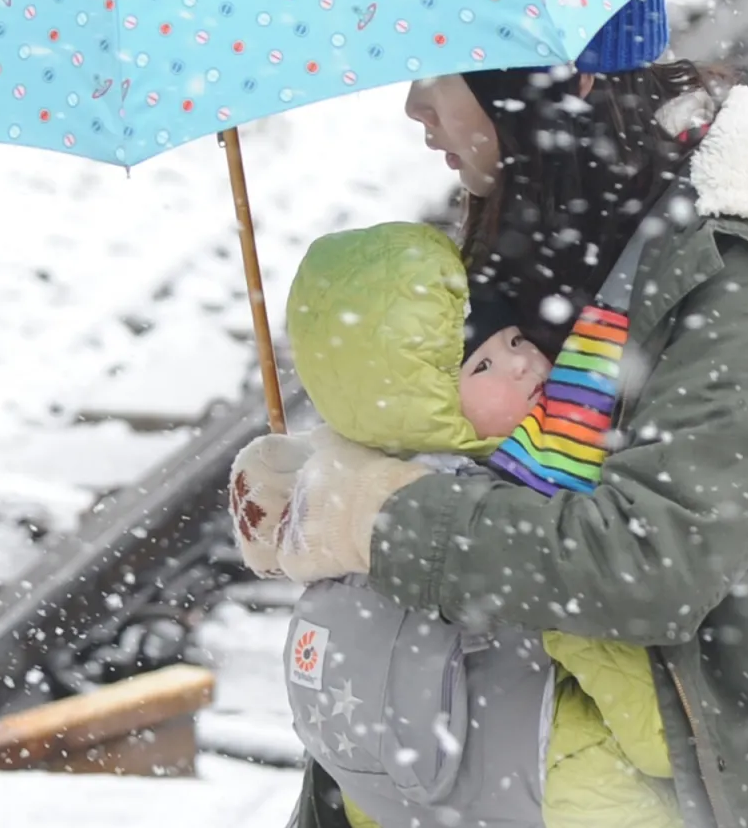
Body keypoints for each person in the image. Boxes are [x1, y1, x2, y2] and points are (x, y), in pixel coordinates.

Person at [230, 0, 748, 828]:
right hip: (465, 769)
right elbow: (475, 455)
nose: (415, 106)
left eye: (443, 68)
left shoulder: (740, 278)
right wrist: (325, 476)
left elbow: (650, 563)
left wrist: (373, 518)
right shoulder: (547, 221)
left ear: (563, 79)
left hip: (678, 788)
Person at [245, 219, 681, 828]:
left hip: (407, 793)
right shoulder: (494, 507)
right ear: (423, 400)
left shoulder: (345, 506)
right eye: (483, 366)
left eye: (514, 339)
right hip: (553, 788)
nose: (527, 364)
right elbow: (606, 660)